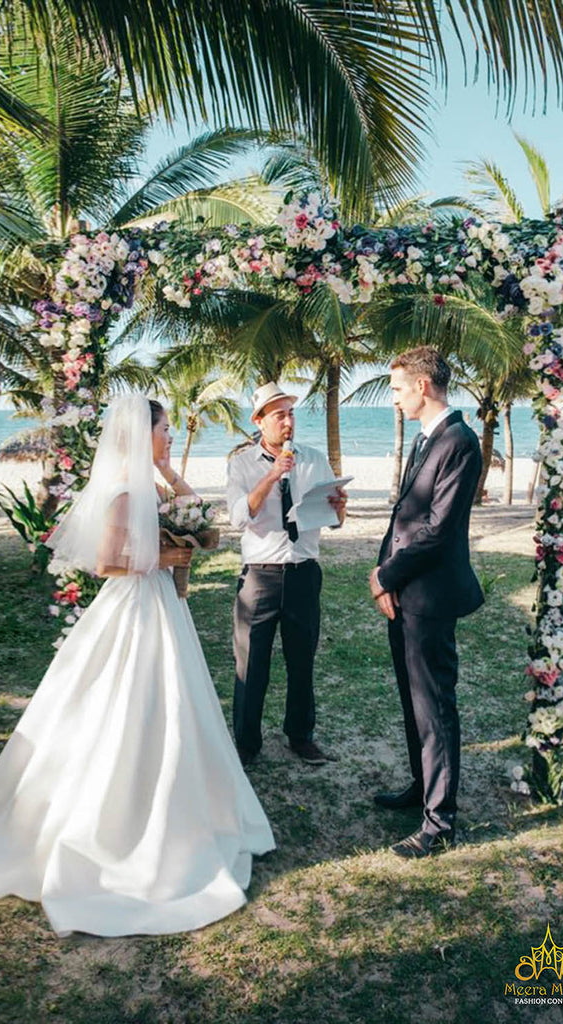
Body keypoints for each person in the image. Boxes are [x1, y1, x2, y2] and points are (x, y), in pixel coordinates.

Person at [0, 394, 274, 936]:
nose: (170, 438)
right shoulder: (120, 494)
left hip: (160, 604)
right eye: (163, 431)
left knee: (174, 701)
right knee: (128, 702)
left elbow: (198, 507)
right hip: (134, 608)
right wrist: (166, 557)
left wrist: (165, 471)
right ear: (142, 433)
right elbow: (108, 562)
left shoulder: (150, 483)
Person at [369, 347, 484, 858]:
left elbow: (437, 530)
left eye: (397, 389)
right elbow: (405, 516)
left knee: (435, 707)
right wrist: (386, 576)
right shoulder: (426, 438)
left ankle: (439, 823)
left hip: (431, 597)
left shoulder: (459, 441)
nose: (393, 399)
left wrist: (384, 575)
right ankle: (422, 788)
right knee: (413, 703)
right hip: (405, 594)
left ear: (421, 386)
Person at [226, 381, 347, 767]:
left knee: (302, 660)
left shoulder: (313, 458)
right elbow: (237, 516)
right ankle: (246, 743)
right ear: (259, 421)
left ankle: (301, 736)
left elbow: (334, 521)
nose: (288, 421)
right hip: (260, 576)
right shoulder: (241, 464)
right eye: (279, 415)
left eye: (291, 413)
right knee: (251, 664)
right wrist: (272, 474)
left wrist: (339, 507)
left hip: (303, 572)